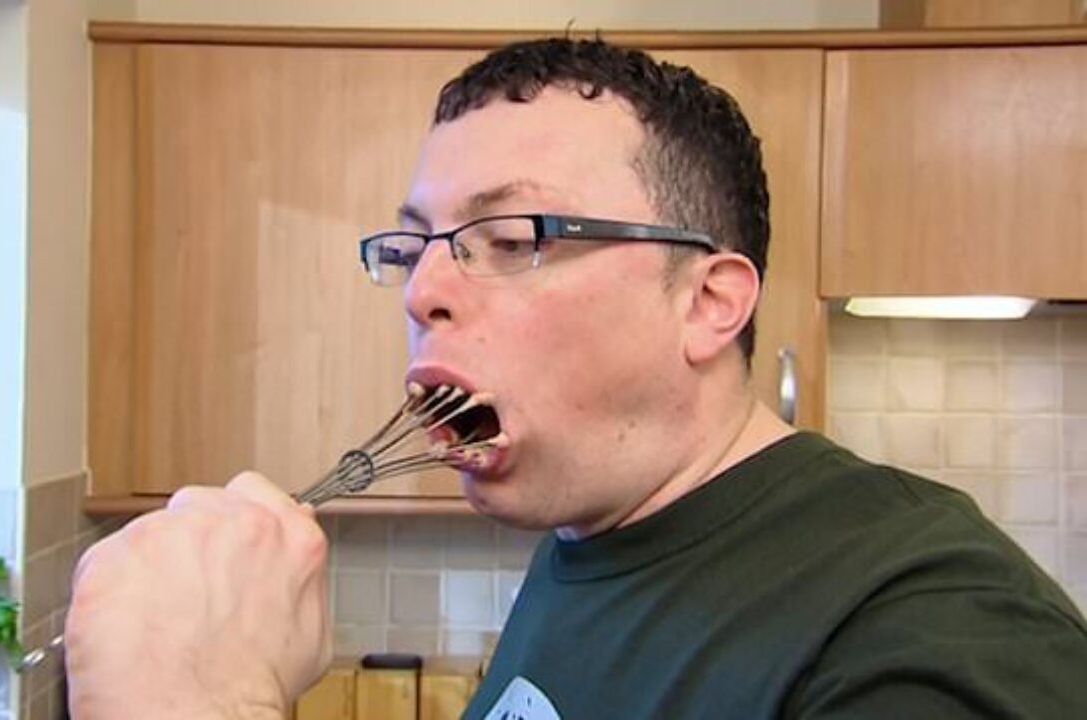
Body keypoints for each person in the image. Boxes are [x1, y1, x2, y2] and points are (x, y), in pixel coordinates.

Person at [66, 38, 1087, 719]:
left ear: (708, 301)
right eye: (413, 247)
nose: (422, 290)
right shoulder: (588, 541)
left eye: (512, 238)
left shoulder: (930, 635)